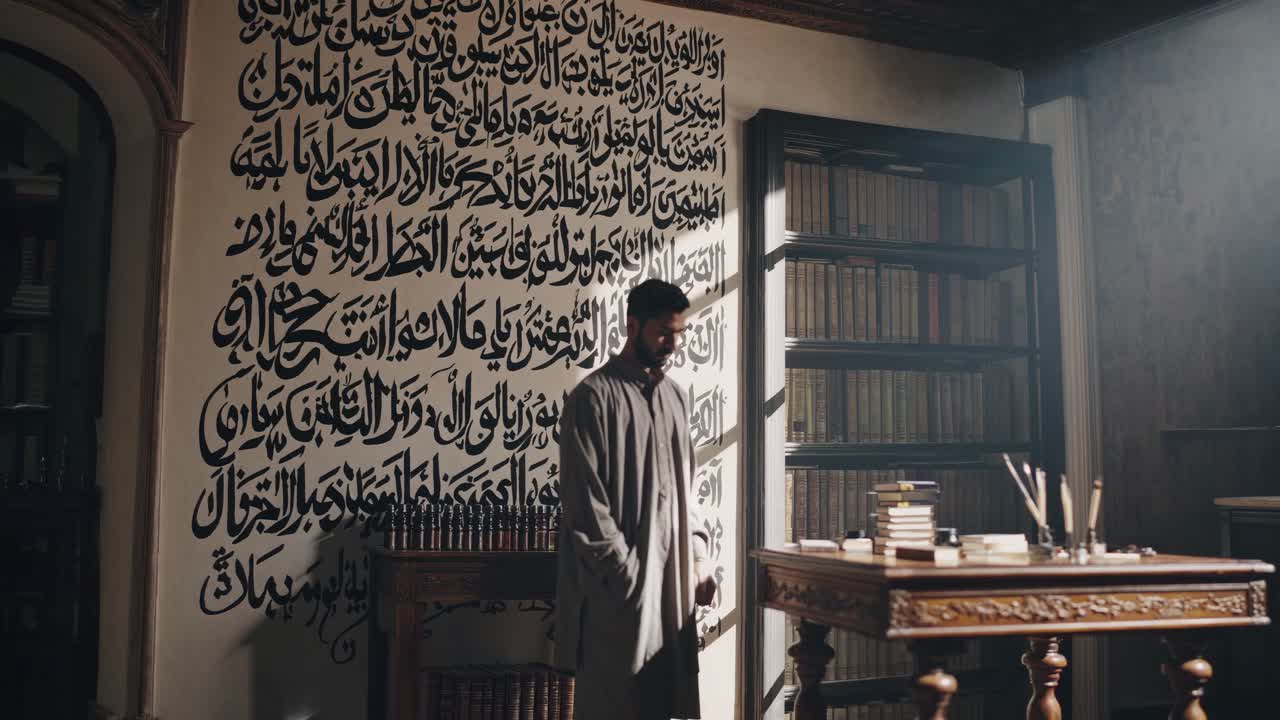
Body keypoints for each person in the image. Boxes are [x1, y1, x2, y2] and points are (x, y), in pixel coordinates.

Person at [555, 279, 717, 720]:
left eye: (679, 333)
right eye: (664, 332)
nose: (673, 343)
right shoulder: (591, 398)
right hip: (619, 603)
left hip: (673, 597)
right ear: (632, 325)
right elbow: (586, 509)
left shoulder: (676, 399)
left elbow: (690, 492)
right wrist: (629, 579)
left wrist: (699, 561)